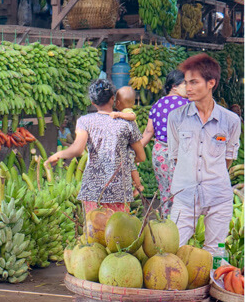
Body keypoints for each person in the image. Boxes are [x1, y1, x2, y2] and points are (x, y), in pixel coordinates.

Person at [168, 54, 241, 253]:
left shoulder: (231, 121)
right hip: (185, 195)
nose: (188, 88)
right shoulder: (176, 118)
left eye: (194, 82)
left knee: (216, 251)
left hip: (218, 196)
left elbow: (227, 159)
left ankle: (216, 282)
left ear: (211, 83)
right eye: (186, 82)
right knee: (172, 249)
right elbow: (175, 156)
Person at [45, 79, 146, 214]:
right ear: (112, 99)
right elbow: (141, 156)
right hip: (120, 191)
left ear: (92, 102)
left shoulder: (85, 121)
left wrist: (58, 155)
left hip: (93, 190)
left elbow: (77, 149)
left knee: (95, 232)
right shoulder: (127, 123)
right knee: (117, 232)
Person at [139, 70, 189, 217]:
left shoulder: (157, 105)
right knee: (183, 192)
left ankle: (167, 223)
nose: (188, 87)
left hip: (160, 153)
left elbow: (148, 132)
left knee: (166, 191)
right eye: (185, 84)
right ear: (174, 86)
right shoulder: (188, 105)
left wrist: (134, 150)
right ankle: (182, 226)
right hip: (181, 153)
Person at [109, 86, 144, 195]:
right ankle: (136, 185)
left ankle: (139, 186)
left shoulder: (127, 112)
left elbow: (132, 116)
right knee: (130, 167)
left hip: (131, 145)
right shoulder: (126, 112)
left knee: (132, 167)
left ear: (118, 102)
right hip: (130, 143)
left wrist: (118, 114)